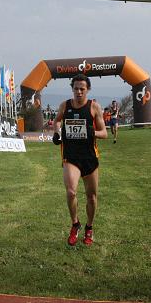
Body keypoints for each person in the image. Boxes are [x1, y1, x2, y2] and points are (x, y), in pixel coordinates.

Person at [52, 74, 107, 246]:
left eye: (82, 89)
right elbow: (56, 122)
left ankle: (89, 228)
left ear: (88, 89)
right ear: (72, 89)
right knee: (71, 192)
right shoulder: (65, 105)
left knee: (91, 197)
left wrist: (92, 132)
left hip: (90, 158)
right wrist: (57, 133)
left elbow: (104, 133)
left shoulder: (94, 108)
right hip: (71, 157)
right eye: (76, 88)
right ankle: (75, 224)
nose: (79, 92)